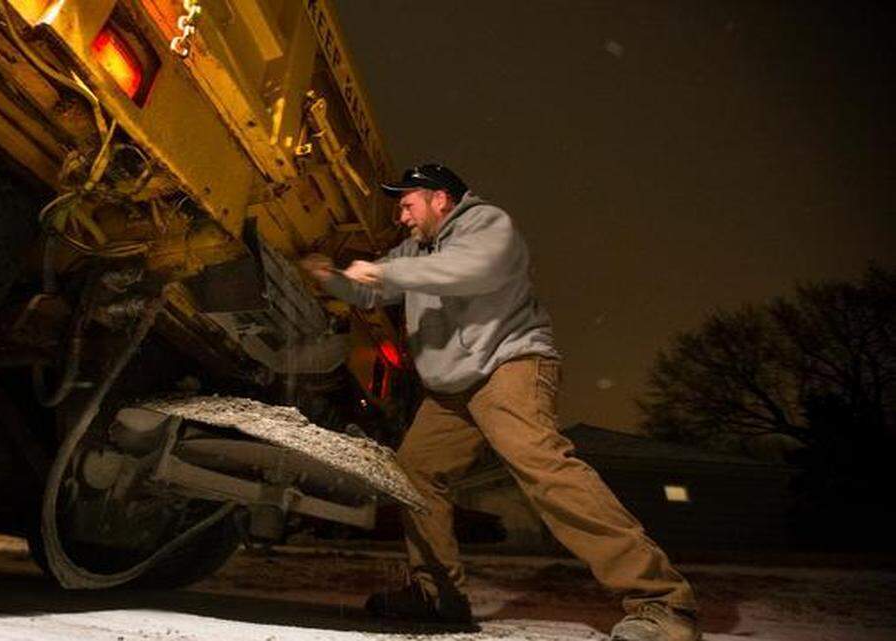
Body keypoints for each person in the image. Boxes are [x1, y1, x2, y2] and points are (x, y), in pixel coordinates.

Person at [300, 164, 701, 641]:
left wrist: (385, 269)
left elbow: (472, 269)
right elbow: (372, 291)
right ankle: (438, 597)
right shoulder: (414, 250)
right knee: (414, 474)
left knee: (542, 468)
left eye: (407, 204)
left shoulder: (486, 223)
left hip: (509, 363)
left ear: (440, 199)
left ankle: (662, 602)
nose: (401, 215)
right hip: (452, 390)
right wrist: (329, 275)